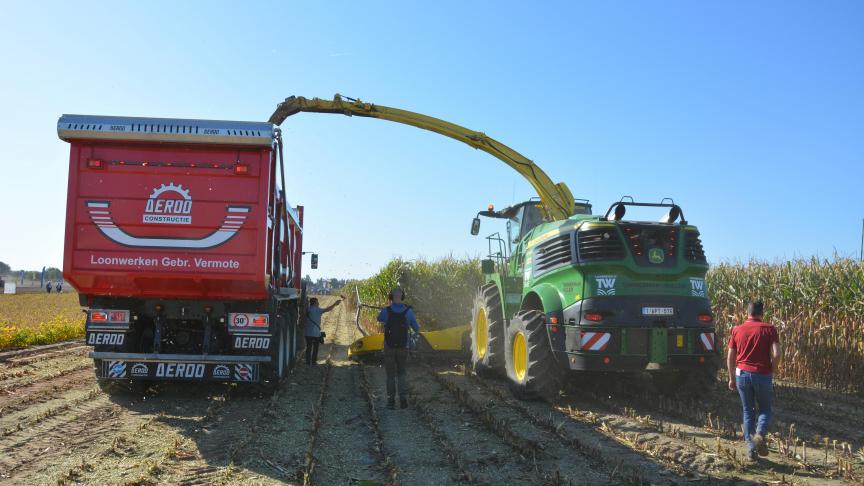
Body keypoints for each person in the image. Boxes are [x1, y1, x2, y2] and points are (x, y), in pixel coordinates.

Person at [727, 300, 781, 460]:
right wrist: (773, 368)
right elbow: (777, 353)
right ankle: (760, 434)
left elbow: (730, 357)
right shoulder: (769, 329)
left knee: (748, 411)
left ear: (747, 313)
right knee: (765, 409)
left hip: (742, 374)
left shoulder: (737, 329)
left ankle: (751, 449)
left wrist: (731, 378)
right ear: (762, 313)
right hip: (762, 374)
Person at [377, 287, 419, 409]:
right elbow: (416, 328)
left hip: (389, 347)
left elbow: (379, 318)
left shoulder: (386, 310)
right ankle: (403, 401)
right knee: (402, 373)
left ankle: (391, 402)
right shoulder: (408, 311)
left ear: (391, 297)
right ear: (402, 296)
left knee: (390, 375)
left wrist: (387, 307)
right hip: (403, 347)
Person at [305, 297, 341, 365]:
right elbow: (327, 309)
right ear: (315, 303)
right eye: (317, 302)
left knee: (308, 348)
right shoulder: (317, 310)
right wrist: (335, 304)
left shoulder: (307, 309)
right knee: (315, 348)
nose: (318, 303)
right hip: (315, 333)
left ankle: (307, 362)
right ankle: (313, 362)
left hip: (307, 333)